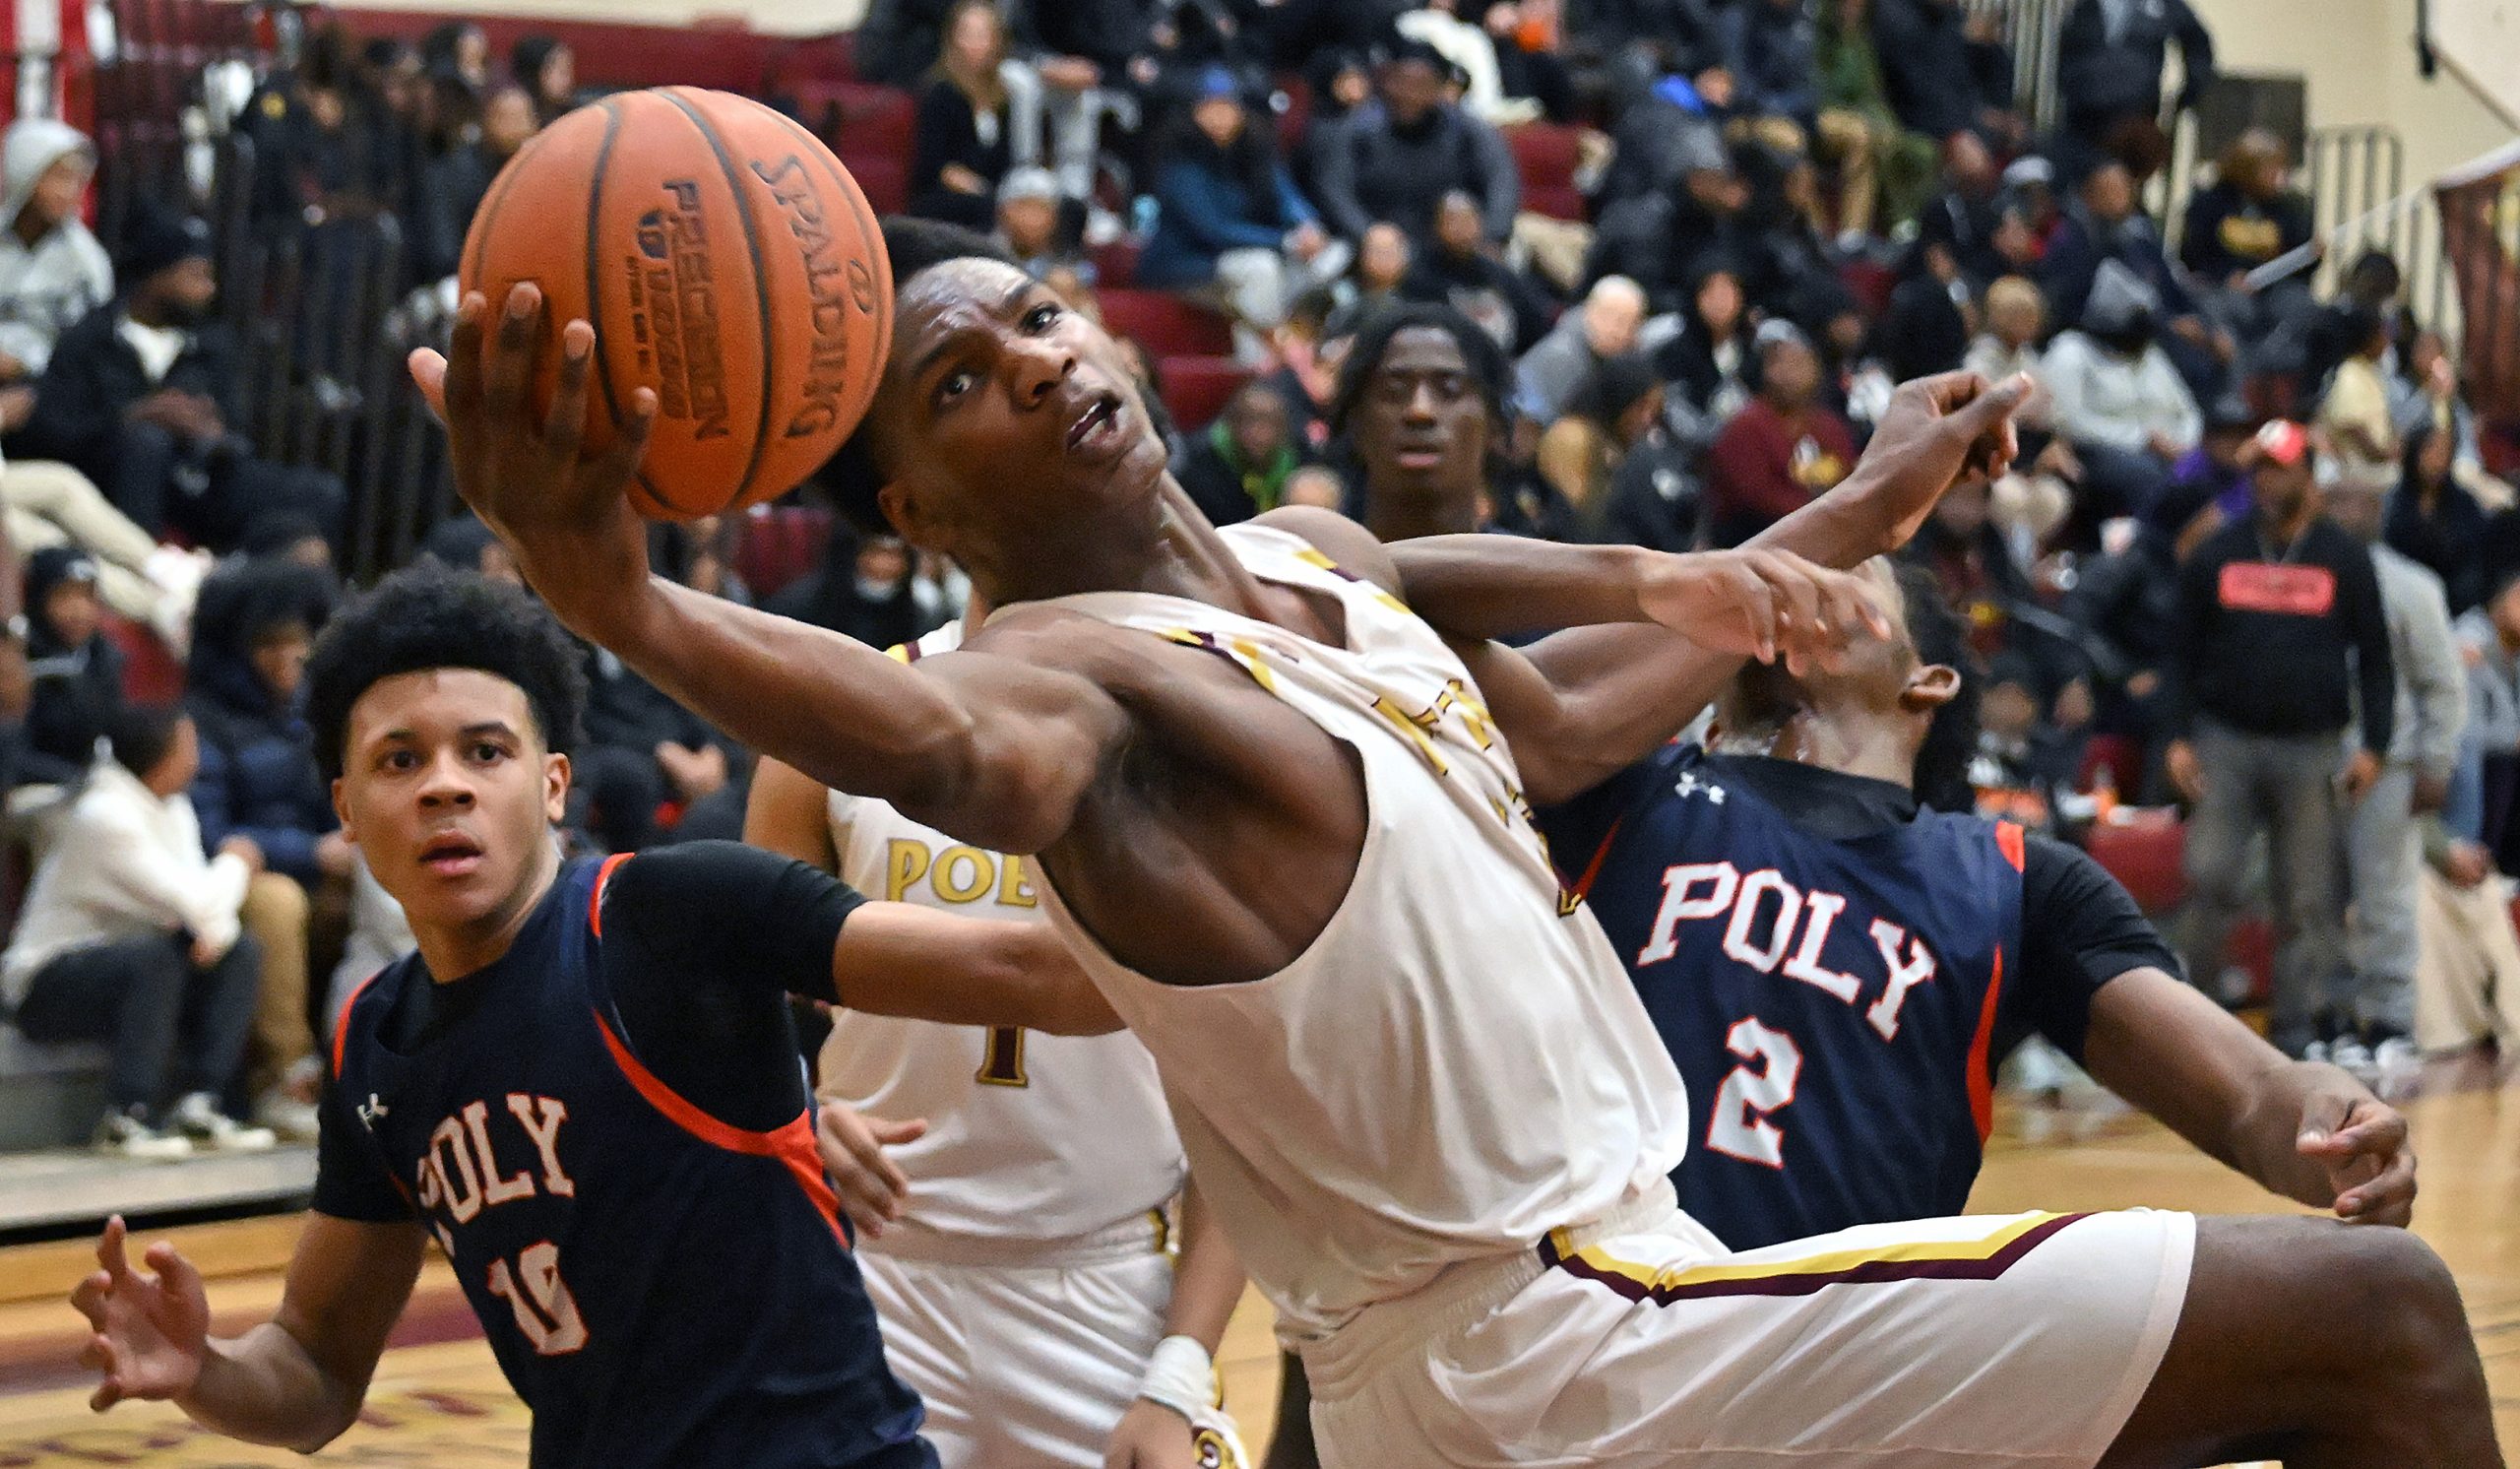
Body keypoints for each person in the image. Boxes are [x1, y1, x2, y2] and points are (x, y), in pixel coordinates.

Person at [417, 220, 2501, 1468]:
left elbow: (1572, 699)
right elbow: (950, 745)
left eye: (1042, 314)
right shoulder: (1060, 678)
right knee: (2378, 1322)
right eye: (961, 380)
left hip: (1540, 1339)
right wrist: (628, 603)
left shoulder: (1300, 567)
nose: (1041, 363)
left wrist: (1850, 512)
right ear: (913, 518)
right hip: (1546, 1335)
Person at [68, 563, 1122, 1464]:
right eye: (401, 759)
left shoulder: (671, 914)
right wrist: (199, 1369)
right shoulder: (371, 1042)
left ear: (554, 782)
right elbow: (316, 1367)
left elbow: (1038, 975)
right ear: (344, 806)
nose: (446, 787)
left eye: (486, 752)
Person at [1536, 553, 2417, 1245]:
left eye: (1841, 577)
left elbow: (2248, 1094)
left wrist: (2323, 1118)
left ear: (1928, 681)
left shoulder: (2016, 881)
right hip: (1610, 1314)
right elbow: (1417, 647)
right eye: (1772, 571)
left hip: (1850, 1349)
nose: (1795, 585)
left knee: (2386, 1296)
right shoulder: (1621, 786)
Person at [748, 611, 1251, 1468]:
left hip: (1103, 1282)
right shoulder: (838, 717)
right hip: (872, 1270)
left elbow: (1246, 1104)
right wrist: (794, 1115)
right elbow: (738, 1000)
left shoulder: (1201, 734)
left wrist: (1178, 1374)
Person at [2169, 421, 2397, 1057]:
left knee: (2306, 895)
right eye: (2259, 469)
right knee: (2211, 875)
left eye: (2280, 468)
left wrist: (2375, 744)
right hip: (2225, 740)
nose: (2266, 480)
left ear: (2308, 475)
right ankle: (2195, 1027)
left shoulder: (2344, 558)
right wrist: (2176, 738)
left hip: (2312, 745)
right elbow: (2180, 653)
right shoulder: (2218, 553)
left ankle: (2296, 1032)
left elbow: (2376, 658)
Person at [3, 703, 273, 1157]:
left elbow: (206, 913)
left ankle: (200, 1104)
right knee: (158, 957)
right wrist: (236, 861)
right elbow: (202, 905)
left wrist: (213, 930)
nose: (198, 758)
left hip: (135, 970)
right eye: (189, 746)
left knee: (241, 951)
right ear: (161, 757)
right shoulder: (104, 816)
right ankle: (125, 1117)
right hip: (46, 985)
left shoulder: (175, 807)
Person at [27, 206, 346, 553]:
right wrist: (137, 416)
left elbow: (238, 430)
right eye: (196, 275)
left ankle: (256, 588)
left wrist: (213, 430)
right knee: (147, 443)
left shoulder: (214, 343)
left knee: (320, 492)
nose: (208, 289)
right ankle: (145, 581)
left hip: (200, 477)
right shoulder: (89, 338)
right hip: (113, 480)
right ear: (155, 275)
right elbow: (54, 430)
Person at [184, 559, 343, 1140]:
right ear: (238, 650)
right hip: (229, 880)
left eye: (297, 643)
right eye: (269, 645)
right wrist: (311, 853)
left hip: (317, 871)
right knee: (277, 904)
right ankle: (283, 1078)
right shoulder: (204, 719)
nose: (287, 658)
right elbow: (212, 835)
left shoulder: (314, 713)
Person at [2323, 470, 2465, 1076]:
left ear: (2380, 509)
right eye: (2339, 497)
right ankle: (2328, 1020)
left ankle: (2391, 1021)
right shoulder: (2308, 579)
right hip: (2311, 759)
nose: (2352, 508)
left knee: (2386, 897)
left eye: (2363, 498)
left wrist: (2436, 763)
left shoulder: (2412, 586)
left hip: (2392, 765)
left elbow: (2443, 684)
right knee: (2314, 899)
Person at [1137, 69, 1341, 360]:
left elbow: (1285, 196)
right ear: (1194, 111)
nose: (1221, 116)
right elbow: (1212, 229)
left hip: (1246, 256)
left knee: (1325, 261)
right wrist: (1285, 241)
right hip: (1186, 264)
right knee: (1261, 270)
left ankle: (1272, 360)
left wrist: (1309, 226)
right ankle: (1268, 360)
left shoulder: (1254, 147)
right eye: (1210, 107)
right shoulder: (1179, 158)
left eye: (1228, 107)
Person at [1312, 40, 1520, 248]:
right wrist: (1366, 232)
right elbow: (1335, 189)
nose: (1408, 95)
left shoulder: (1466, 129)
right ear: (1386, 83)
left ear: (1438, 88)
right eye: (1401, 83)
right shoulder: (1356, 130)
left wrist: (1493, 233)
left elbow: (1501, 178)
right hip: (1378, 241)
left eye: (1420, 86)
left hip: (1455, 240)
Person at [1705, 324, 1856, 546]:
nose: (1791, 375)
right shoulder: (1746, 426)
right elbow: (1754, 497)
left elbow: (1849, 476)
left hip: (1825, 536)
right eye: (1781, 364)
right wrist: (1817, 513)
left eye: (1800, 364)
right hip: (1754, 544)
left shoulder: (1829, 427)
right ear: (1766, 371)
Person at [0, 117, 110, 387]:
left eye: (78, 180)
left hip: (44, 389)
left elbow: (88, 346)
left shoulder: (85, 262)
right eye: (59, 177)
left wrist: (27, 362)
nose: (69, 192)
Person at [909, 0, 1018, 233]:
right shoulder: (940, 92)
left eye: (982, 35)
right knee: (986, 207)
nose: (974, 44)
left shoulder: (1003, 98)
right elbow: (936, 166)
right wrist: (986, 192)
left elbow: (1006, 162)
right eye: (967, 34)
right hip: (942, 196)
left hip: (990, 193)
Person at [1400, 189, 1553, 354]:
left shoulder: (1501, 276)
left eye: (1468, 220)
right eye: (1453, 221)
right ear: (1436, 227)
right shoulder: (1418, 281)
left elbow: (1536, 330)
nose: (1462, 230)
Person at [2388, 419, 2491, 617]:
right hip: (2408, 598)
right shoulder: (2394, 503)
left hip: (2459, 602)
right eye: (2430, 452)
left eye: (2443, 454)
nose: (2437, 460)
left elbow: (2475, 552)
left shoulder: (2463, 503)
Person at [1514, 274, 1644, 423]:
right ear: (1588, 310)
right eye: (1608, 316)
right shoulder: (1563, 356)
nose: (1617, 331)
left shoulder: (1616, 362)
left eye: (1630, 325)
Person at [1179, 381, 1303, 527]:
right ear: (1231, 424)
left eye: (1270, 423)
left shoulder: (1299, 456)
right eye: (1250, 422)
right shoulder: (1198, 464)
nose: (1259, 434)